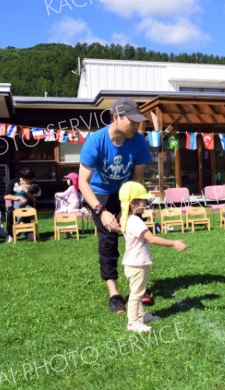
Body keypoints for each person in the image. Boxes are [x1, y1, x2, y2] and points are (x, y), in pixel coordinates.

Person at [79, 98, 152, 314]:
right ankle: (114, 294)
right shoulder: (96, 141)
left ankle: (139, 286)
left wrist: (127, 208)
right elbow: (82, 181)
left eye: (139, 121)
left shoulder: (138, 142)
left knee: (136, 236)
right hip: (99, 194)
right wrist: (101, 212)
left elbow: (137, 179)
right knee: (108, 240)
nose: (137, 125)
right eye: (132, 121)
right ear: (116, 118)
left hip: (126, 192)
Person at [119, 181, 187, 332]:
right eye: (143, 202)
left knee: (139, 290)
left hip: (135, 264)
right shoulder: (135, 221)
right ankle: (132, 322)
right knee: (136, 294)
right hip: (137, 265)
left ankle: (141, 315)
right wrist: (173, 243)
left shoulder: (129, 219)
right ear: (133, 203)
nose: (145, 205)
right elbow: (152, 238)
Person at [4, 167, 41, 243]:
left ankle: (27, 232)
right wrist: (19, 197)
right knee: (10, 212)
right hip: (14, 206)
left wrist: (26, 191)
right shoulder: (13, 182)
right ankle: (10, 234)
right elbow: (6, 196)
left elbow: (34, 199)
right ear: (24, 178)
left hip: (27, 206)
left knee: (28, 211)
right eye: (30, 179)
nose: (31, 180)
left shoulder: (32, 185)